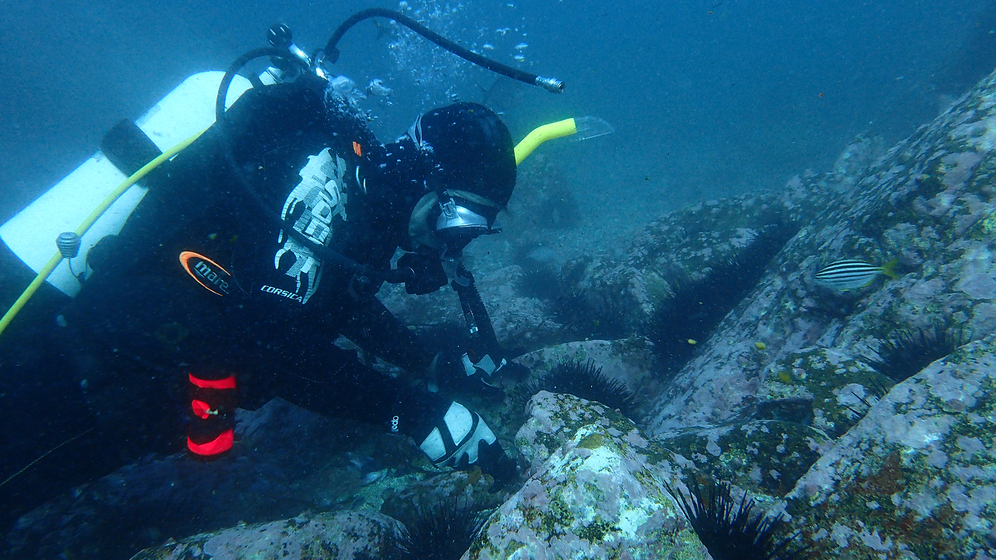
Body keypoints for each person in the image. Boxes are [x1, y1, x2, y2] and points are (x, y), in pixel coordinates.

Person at [57, 73, 521, 491]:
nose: (453, 246)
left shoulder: (367, 201)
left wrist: (430, 362)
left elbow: (337, 302)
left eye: (474, 230)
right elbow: (274, 344)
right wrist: (412, 412)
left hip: (145, 356)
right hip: (92, 360)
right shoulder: (321, 186)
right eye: (458, 222)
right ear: (426, 177)